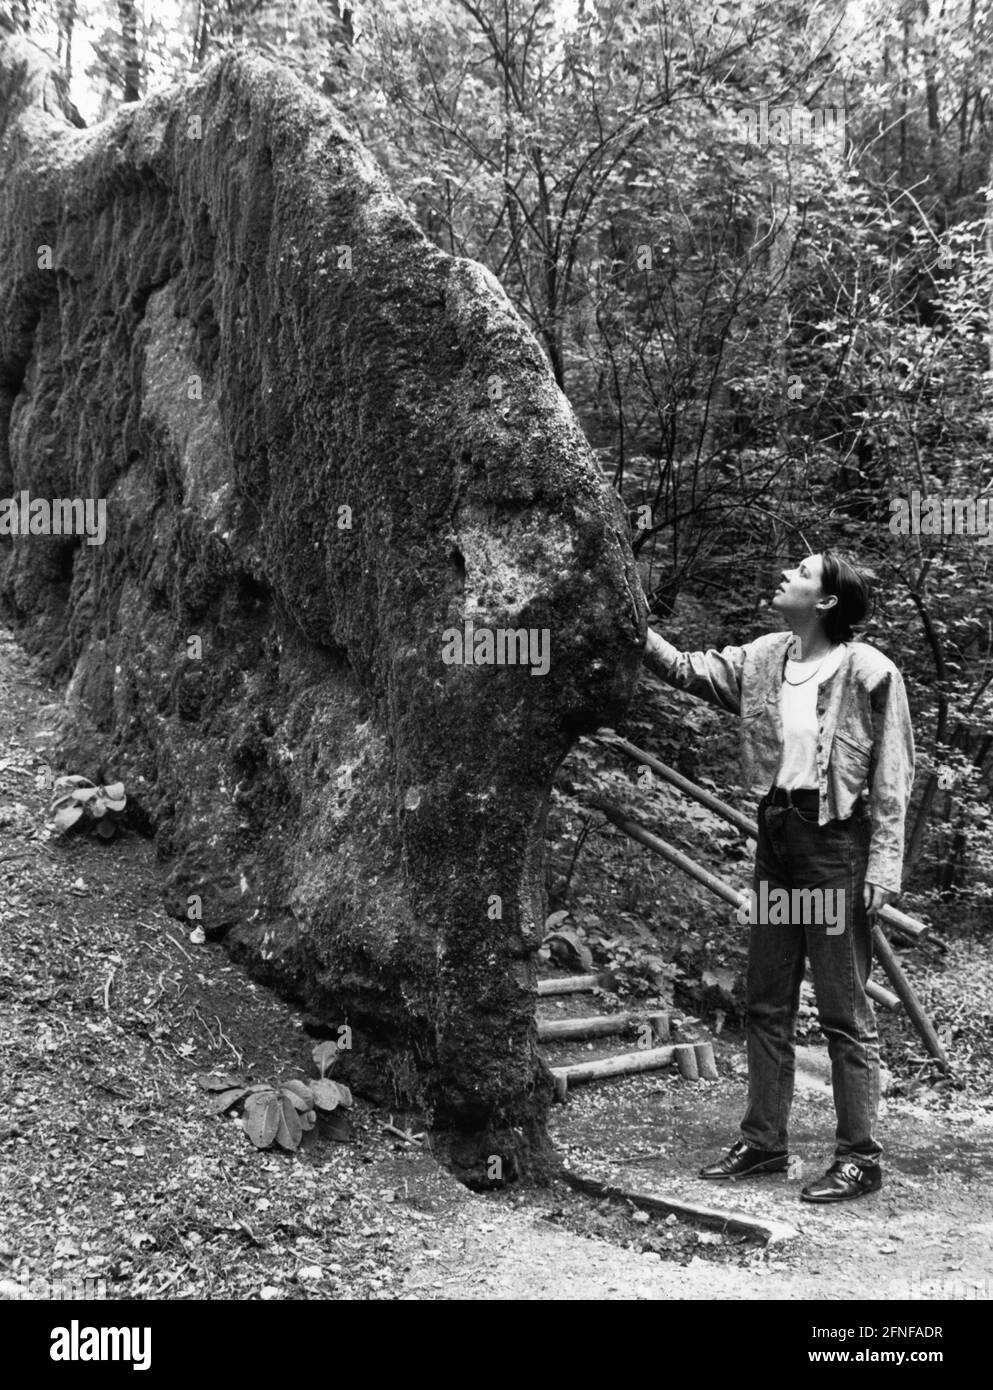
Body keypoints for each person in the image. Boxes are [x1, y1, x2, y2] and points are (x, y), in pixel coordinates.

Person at [643, 551, 915, 1203]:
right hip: (777, 839)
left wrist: (881, 866)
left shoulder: (870, 671)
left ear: (824, 601)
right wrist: (627, 617)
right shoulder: (764, 657)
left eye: (799, 573)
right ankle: (763, 1143)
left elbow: (892, 776)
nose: (784, 577)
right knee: (765, 1001)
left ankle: (858, 1158)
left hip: (833, 848)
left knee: (843, 1012)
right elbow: (682, 669)